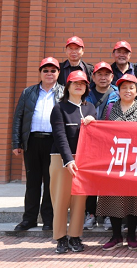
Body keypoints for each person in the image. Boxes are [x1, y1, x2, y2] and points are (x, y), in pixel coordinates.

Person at [97, 74, 137, 251]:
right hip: (114, 160)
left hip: (135, 161)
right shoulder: (110, 109)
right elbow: (102, 131)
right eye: (124, 88)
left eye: (131, 88)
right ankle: (116, 236)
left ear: (136, 91)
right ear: (118, 91)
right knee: (113, 198)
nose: (127, 91)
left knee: (134, 199)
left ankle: (132, 235)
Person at [11, 57, 64, 232]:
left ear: (58, 73)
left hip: (53, 142)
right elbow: (18, 118)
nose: (49, 73)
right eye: (45, 70)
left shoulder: (64, 93)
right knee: (32, 182)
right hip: (32, 141)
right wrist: (16, 142)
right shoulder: (28, 92)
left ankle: (49, 219)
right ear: (40, 73)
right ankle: (29, 219)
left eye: (53, 70)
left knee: (51, 182)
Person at [49, 70, 97, 254]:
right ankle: (60, 238)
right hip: (61, 159)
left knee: (79, 201)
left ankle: (75, 236)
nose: (79, 86)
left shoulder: (90, 108)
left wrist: (93, 122)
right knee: (60, 200)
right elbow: (60, 136)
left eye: (82, 83)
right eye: (75, 83)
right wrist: (68, 160)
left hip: (83, 160)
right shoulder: (59, 108)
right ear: (67, 86)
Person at [83, 61, 119, 231]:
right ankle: (90, 213)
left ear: (112, 77)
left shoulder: (118, 94)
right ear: (93, 76)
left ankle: (107, 215)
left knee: (109, 179)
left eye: (106, 74)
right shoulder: (85, 94)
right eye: (99, 74)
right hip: (90, 143)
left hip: (111, 143)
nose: (103, 78)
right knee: (90, 179)